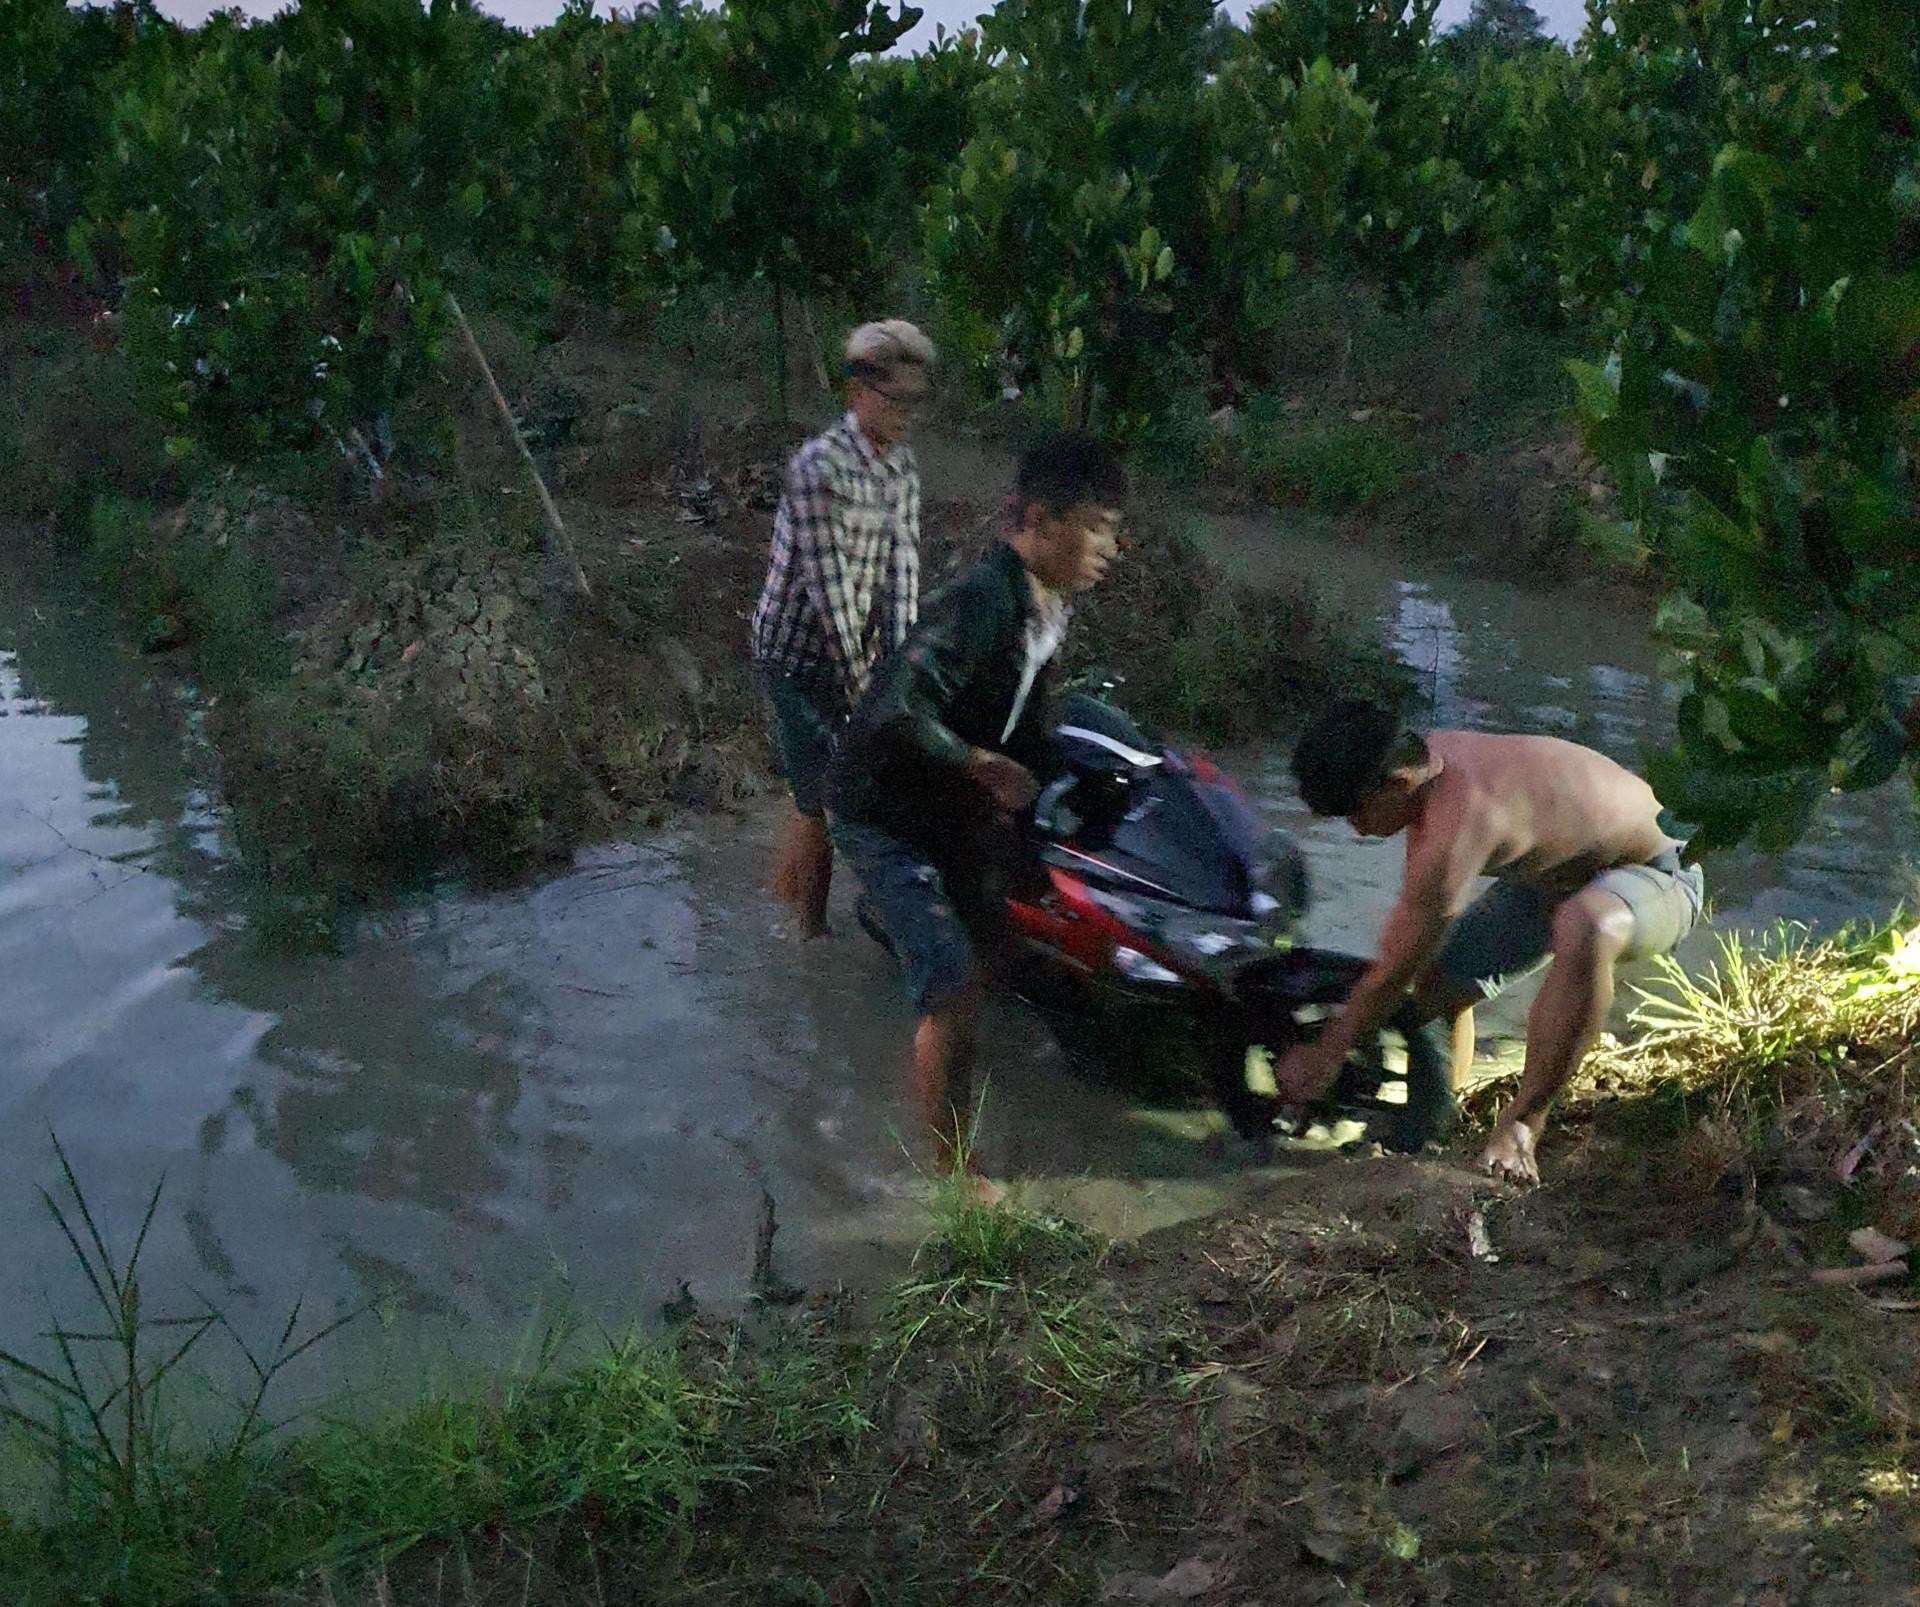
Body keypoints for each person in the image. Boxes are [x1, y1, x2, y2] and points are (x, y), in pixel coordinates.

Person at [828, 434, 1125, 1196]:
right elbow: (898, 707)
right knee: (955, 981)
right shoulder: (983, 598)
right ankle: (954, 1175)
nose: (1109, 547)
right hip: (884, 807)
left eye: (1113, 528)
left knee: (999, 947)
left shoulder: (1043, 602)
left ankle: (939, 1068)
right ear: (1038, 518)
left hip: (949, 804)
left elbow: (1028, 716)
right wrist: (974, 763)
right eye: (1096, 525)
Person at [1274, 702, 1705, 1183]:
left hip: (1661, 873)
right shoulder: (1428, 758)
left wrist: (1326, 1051)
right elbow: (1409, 960)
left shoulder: (1458, 819)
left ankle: (1523, 1126)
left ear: (1398, 785)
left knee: (1585, 925)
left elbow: (1394, 967)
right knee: (1437, 986)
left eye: (1355, 811)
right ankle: (1441, 1121)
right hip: (1554, 878)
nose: (1354, 828)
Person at [751, 319, 937, 940]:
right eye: (896, 399)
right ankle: (809, 935)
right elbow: (833, 604)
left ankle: (784, 893)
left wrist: (908, 675)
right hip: (796, 654)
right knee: (826, 796)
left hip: (852, 646)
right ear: (858, 391)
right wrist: (870, 701)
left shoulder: (902, 469)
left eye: (916, 400)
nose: (907, 413)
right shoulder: (816, 469)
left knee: (818, 779)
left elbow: (902, 576)